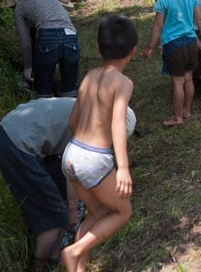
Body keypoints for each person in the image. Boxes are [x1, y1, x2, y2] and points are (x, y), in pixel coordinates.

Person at [0, 98, 137, 269]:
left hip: (16, 132)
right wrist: (72, 208)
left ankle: (55, 258)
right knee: (55, 216)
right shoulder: (88, 127)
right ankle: (41, 266)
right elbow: (73, 169)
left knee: (60, 200)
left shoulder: (92, 109)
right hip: (16, 144)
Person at [60, 14, 139, 272]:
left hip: (71, 154)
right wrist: (123, 168)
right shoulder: (124, 82)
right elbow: (118, 122)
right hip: (93, 158)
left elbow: (73, 121)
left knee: (96, 213)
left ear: (98, 48)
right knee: (123, 211)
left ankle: (77, 267)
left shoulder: (89, 77)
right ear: (133, 52)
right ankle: (75, 252)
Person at [141, 0, 201, 126]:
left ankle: (178, 117)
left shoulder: (163, 0)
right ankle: (187, 111)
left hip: (174, 46)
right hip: (190, 43)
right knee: (188, 79)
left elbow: (158, 26)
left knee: (177, 82)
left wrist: (150, 47)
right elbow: (200, 20)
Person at [1, 0, 80, 98]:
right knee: (69, 92)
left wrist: (27, 67)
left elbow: (25, 42)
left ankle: (45, 105)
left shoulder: (19, 8)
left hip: (47, 37)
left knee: (43, 94)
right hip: (71, 37)